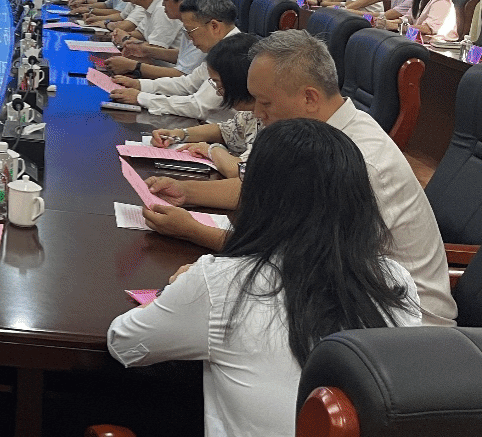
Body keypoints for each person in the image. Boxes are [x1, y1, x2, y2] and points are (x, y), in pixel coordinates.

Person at [109, 118, 421, 437]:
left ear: (260, 196)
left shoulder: (223, 282)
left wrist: (172, 291)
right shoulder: (394, 281)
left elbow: (124, 342)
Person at [142, 30, 456, 327]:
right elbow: (267, 211)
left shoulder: (357, 161)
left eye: (266, 103)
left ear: (309, 98)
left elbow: (296, 259)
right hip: (346, 293)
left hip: (400, 323)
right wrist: (187, 194)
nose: (258, 114)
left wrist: (195, 234)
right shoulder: (322, 134)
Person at [109, 0, 240, 118]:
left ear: (214, 26)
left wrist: (141, 98)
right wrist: (140, 85)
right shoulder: (220, 48)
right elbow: (188, 84)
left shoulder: (234, 55)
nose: (190, 39)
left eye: (190, 31)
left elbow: (198, 107)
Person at [150, 32, 262, 178]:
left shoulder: (270, 118)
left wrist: (211, 150)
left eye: (218, 83)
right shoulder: (249, 113)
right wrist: (179, 134)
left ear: (236, 82)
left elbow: (239, 171)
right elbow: (224, 130)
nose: (218, 91)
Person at [105, 0, 206, 77]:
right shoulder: (188, 24)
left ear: (182, 2)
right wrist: (145, 50)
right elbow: (183, 55)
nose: (163, 4)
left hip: (167, 76)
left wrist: (134, 66)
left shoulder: (202, 29)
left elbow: (183, 76)